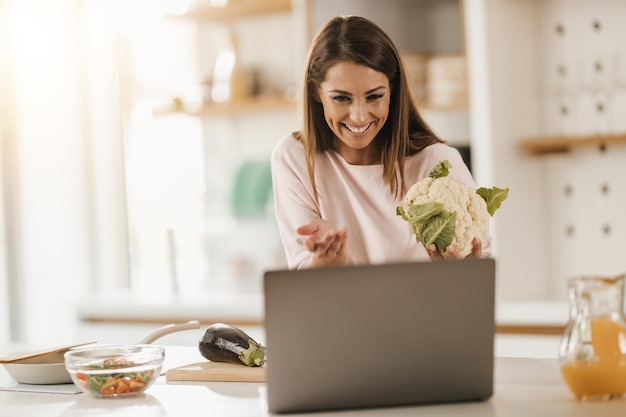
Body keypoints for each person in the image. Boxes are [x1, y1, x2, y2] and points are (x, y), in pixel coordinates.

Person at [270, 15, 491, 269]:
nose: (360, 116)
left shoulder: (437, 162)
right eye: (342, 98)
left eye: (374, 96)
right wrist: (325, 260)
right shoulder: (294, 157)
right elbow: (302, 282)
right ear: (315, 92)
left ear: (393, 91)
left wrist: (461, 268)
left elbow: (479, 272)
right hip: (341, 310)